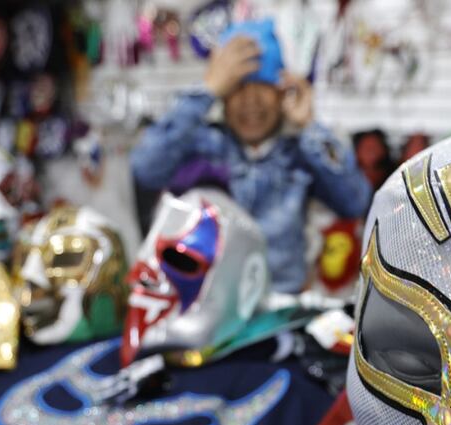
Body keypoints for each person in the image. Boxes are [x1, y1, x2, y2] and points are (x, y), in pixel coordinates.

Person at [130, 19, 372, 293]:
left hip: (282, 304)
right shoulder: (201, 145)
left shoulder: (300, 152)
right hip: (209, 301)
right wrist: (205, 91)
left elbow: (355, 201)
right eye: (237, 87)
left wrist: (310, 126)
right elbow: (145, 168)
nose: (251, 100)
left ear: (281, 91)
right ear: (223, 95)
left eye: (262, 86)